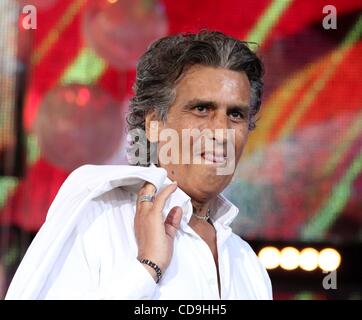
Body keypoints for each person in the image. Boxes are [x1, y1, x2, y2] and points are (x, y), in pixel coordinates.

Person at [5, 30, 272, 300]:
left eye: (235, 114)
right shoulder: (98, 217)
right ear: (154, 124)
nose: (221, 130)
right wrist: (146, 269)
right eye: (201, 109)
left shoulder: (247, 263)